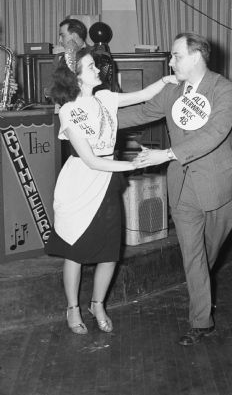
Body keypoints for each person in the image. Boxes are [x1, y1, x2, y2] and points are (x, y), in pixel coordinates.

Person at [118, 32, 232, 346]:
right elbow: (143, 113)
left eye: (176, 55)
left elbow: (214, 133)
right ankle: (201, 322)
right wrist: (93, 120)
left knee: (207, 255)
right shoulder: (173, 90)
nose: (170, 62)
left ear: (197, 55)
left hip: (218, 188)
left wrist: (168, 154)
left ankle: (201, 290)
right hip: (182, 186)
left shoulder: (225, 90)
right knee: (193, 256)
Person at [45, 46, 177, 334]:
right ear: (76, 77)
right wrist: (133, 165)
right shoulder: (69, 111)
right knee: (75, 249)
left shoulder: (105, 97)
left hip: (108, 181)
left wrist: (166, 81)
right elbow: (91, 161)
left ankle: (98, 304)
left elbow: (142, 96)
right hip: (82, 181)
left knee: (108, 251)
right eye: (91, 66)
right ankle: (72, 307)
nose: (98, 70)